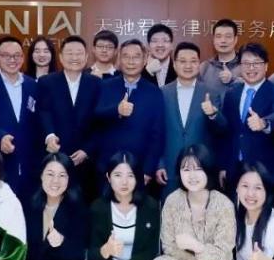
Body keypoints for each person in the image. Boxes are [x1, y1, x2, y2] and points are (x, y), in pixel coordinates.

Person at [0, 36, 42, 198]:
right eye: (6, 55)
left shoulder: (32, 85)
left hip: (29, 163)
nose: (12, 60)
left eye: (17, 55)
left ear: (23, 58)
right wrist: (0, 137)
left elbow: (38, 121)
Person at [156, 42, 226, 198]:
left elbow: (222, 130)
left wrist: (213, 114)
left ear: (199, 64)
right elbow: (156, 133)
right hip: (170, 168)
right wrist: (159, 163)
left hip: (201, 169)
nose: (188, 65)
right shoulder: (162, 93)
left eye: (193, 61)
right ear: (175, 65)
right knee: (171, 210)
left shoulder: (211, 93)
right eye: (183, 61)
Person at [216, 43, 274, 189]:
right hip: (234, 169)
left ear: (266, 66)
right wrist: (224, 166)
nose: (251, 68)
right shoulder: (232, 93)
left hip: (264, 170)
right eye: (246, 63)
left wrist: (263, 123)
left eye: (256, 63)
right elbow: (227, 133)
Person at [38, 35, 102, 197]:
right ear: (60, 57)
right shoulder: (47, 82)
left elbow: (101, 121)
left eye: (79, 53)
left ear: (86, 57)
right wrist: (49, 136)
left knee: (85, 202)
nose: (74, 57)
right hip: (56, 156)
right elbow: (43, 112)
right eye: (69, 53)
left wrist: (87, 150)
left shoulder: (97, 84)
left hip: (87, 161)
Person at [93, 39, 165, 184]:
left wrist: (148, 170)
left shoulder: (154, 92)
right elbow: (95, 117)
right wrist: (116, 110)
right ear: (119, 59)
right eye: (126, 56)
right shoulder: (105, 86)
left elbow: (157, 135)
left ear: (145, 60)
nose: (131, 61)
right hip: (107, 167)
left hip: (139, 168)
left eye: (136, 57)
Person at [198, 18, 241, 94]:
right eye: (218, 36)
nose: (223, 40)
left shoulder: (246, 65)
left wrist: (233, 79)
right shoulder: (204, 67)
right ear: (213, 40)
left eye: (228, 36)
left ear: (235, 40)